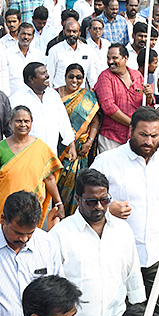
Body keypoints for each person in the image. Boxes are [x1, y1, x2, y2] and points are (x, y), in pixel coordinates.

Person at [47, 168, 147, 316]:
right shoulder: (60, 235)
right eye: (92, 201)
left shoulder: (123, 231)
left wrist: (137, 312)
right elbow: (52, 285)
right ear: (78, 199)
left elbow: (132, 273)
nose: (99, 207)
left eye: (104, 200)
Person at [92, 108, 159, 316]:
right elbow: (84, 200)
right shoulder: (107, 162)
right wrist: (107, 208)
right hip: (120, 254)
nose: (149, 141)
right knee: (123, 310)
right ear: (130, 131)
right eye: (143, 135)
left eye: (154, 136)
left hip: (156, 252)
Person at [0, 105, 63, 224]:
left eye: (26, 121)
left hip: (31, 208)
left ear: (32, 123)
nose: (23, 125)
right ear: (10, 123)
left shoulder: (40, 147)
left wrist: (59, 203)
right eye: (18, 121)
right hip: (5, 207)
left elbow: (49, 178)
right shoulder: (0, 148)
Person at [55, 62, 101, 213]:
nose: (75, 80)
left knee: (77, 185)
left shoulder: (88, 97)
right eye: (71, 77)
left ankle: (73, 216)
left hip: (81, 150)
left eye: (79, 77)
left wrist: (89, 141)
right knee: (57, 183)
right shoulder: (54, 95)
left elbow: (94, 121)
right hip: (59, 148)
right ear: (65, 77)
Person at [94, 44, 149, 152]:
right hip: (112, 138)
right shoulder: (105, 77)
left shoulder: (137, 75)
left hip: (133, 137)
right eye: (108, 58)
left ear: (125, 58)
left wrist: (150, 96)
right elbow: (109, 108)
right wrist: (133, 123)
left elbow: (145, 104)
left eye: (114, 58)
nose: (110, 62)